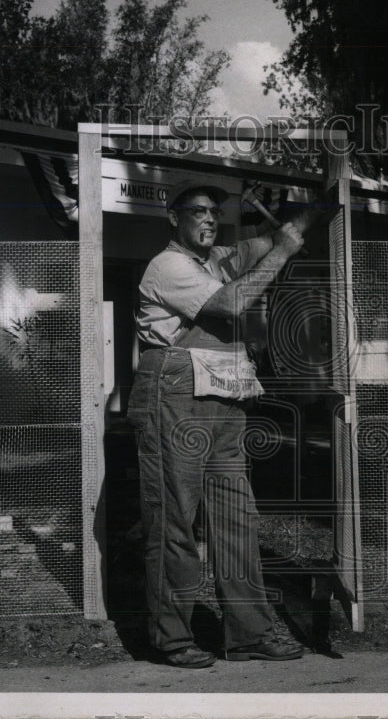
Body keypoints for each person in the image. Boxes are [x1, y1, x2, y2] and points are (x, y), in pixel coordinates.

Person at [126, 178, 313, 669]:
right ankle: (172, 637)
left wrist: (309, 216)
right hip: (177, 395)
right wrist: (282, 253)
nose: (209, 219)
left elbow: (278, 236)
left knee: (236, 520)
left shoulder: (221, 258)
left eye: (215, 213)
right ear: (174, 218)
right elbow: (232, 303)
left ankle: (249, 634)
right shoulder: (167, 265)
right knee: (175, 521)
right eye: (198, 212)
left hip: (224, 396)